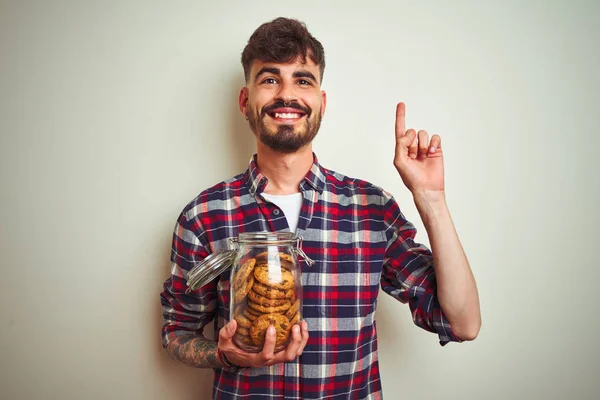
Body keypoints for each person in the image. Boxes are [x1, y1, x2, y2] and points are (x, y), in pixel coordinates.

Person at [160, 17, 481, 400]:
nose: (286, 95)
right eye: (269, 79)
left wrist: (432, 200)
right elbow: (176, 332)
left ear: (320, 103)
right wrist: (223, 355)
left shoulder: (371, 209)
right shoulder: (204, 216)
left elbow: (463, 323)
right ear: (246, 101)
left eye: (303, 80)